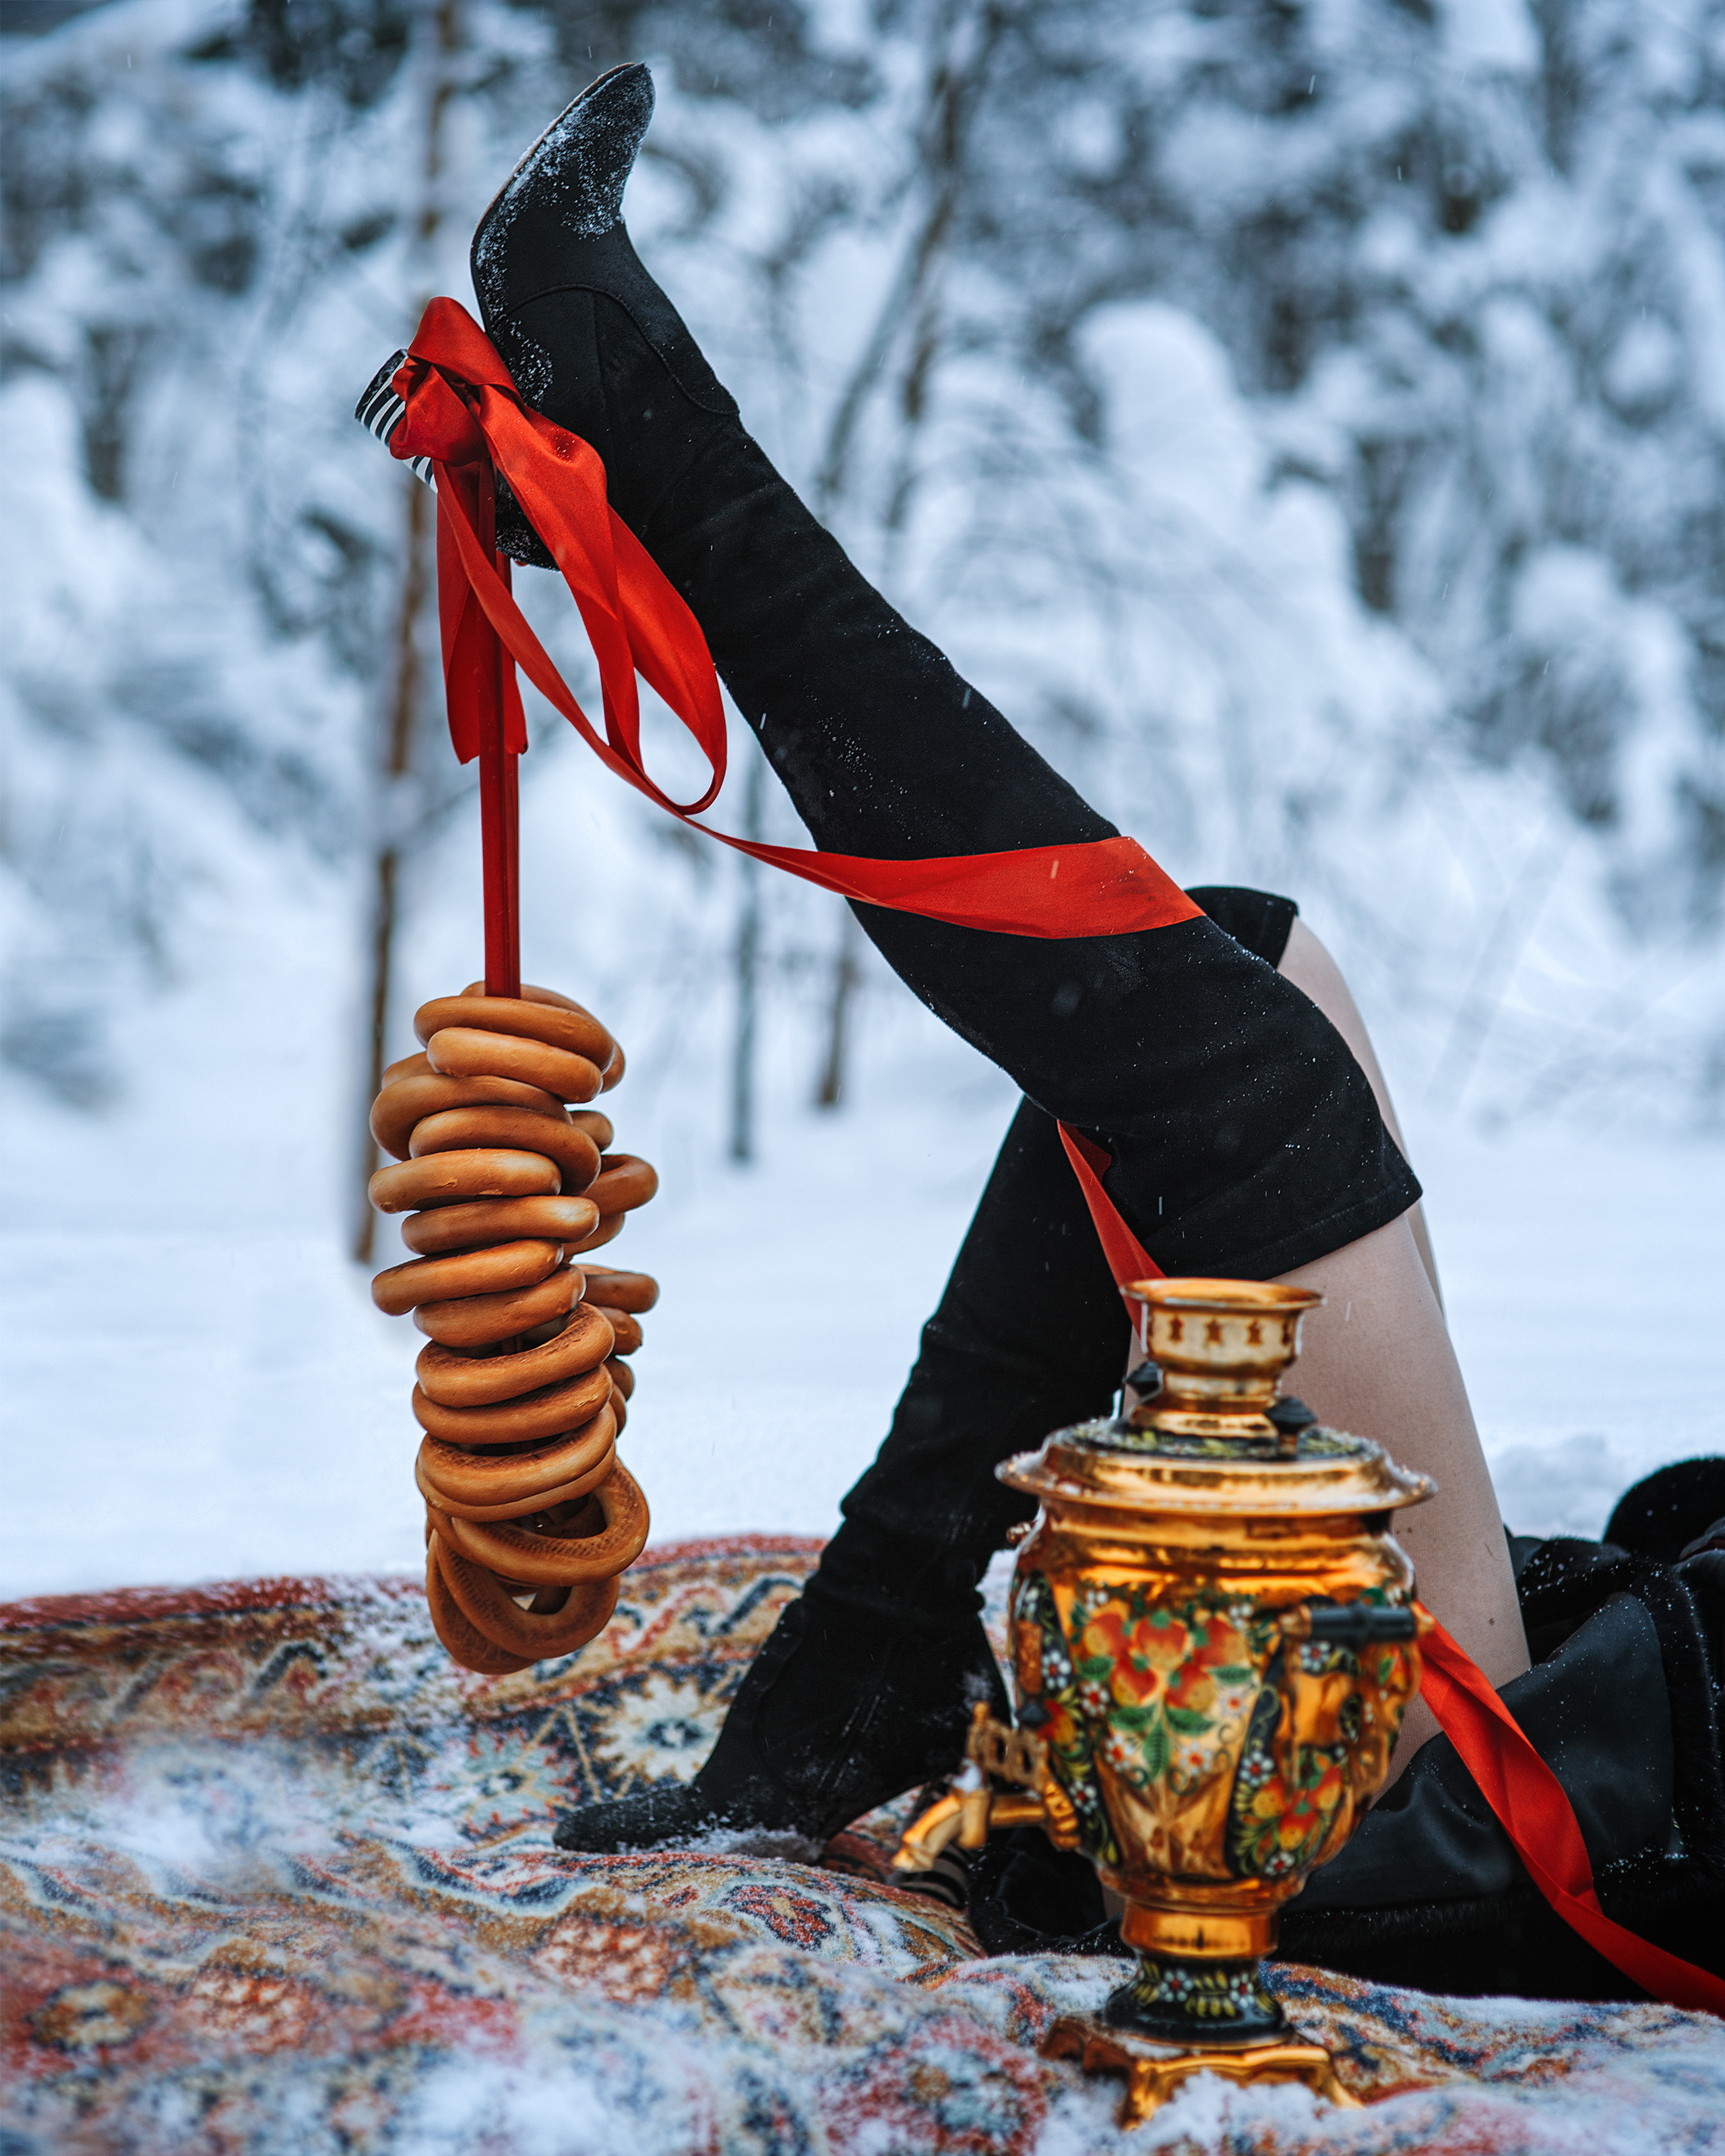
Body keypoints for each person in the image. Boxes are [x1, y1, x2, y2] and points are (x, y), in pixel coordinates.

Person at [371, 64, 1725, 1998]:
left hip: (1499, 1819)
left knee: (1223, 1089)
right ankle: (872, 1665)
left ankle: (659, 445)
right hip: (1603, 1698)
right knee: (1238, 957)